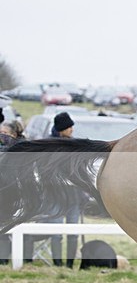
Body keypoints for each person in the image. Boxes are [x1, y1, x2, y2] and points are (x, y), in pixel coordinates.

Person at [44, 112, 81, 267]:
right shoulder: (49, 146)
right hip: (55, 195)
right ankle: (58, 264)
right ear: (61, 129)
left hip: (74, 196)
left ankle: (70, 264)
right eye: (69, 127)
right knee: (56, 233)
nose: (72, 129)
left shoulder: (75, 145)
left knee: (73, 233)